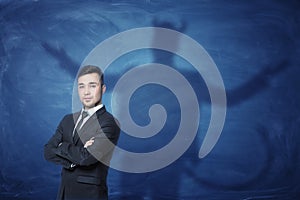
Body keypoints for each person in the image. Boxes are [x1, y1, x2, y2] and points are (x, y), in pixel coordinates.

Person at [44, 65, 120, 200]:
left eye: (92, 86)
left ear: (103, 89)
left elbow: (86, 158)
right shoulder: (67, 120)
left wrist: (61, 146)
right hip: (63, 194)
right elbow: (48, 151)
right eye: (81, 86)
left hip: (90, 195)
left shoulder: (109, 123)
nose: (86, 92)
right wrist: (72, 161)